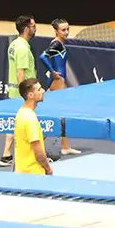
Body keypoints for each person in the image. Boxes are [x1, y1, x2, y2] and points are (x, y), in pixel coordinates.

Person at [0, 15, 38, 167]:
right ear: (27, 28)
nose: (36, 29)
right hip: (25, 93)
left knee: (15, 123)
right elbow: (20, 73)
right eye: (34, 26)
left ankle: (6, 155)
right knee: (29, 124)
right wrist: (26, 95)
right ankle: (31, 154)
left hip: (14, 92)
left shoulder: (14, 44)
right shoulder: (22, 48)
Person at [40, 18, 79, 156]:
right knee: (56, 114)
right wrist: (52, 72)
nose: (67, 32)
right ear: (56, 31)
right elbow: (43, 56)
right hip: (58, 81)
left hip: (59, 81)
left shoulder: (59, 43)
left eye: (68, 29)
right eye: (63, 30)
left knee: (63, 114)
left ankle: (65, 146)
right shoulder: (56, 44)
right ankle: (36, 145)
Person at [14, 78, 53, 175]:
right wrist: (48, 169)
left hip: (22, 171)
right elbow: (39, 153)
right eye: (39, 89)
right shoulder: (30, 118)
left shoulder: (21, 112)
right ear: (30, 95)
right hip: (34, 174)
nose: (43, 91)